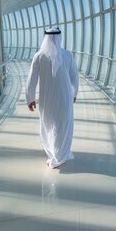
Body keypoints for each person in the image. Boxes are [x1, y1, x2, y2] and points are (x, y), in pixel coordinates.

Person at [26, 28, 79, 168]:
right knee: (63, 124)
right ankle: (61, 154)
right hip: (64, 97)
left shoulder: (39, 56)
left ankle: (56, 154)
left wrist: (30, 98)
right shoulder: (67, 55)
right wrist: (74, 93)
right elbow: (75, 77)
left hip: (46, 98)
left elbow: (31, 80)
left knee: (48, 125)